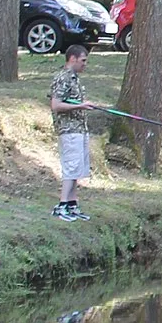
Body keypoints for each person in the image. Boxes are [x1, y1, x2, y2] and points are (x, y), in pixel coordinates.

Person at [48, 44, 97, 221]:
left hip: (79, 129)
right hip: (69, 130)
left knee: (77, 168)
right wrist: (81, 106)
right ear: (73, 59)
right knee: (70, 167)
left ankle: (72, 204)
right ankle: (61, 206)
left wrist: (82, 106)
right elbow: (56, 105)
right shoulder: (63, 78)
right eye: (83, 61)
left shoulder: (74, 78)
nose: (85, 64)